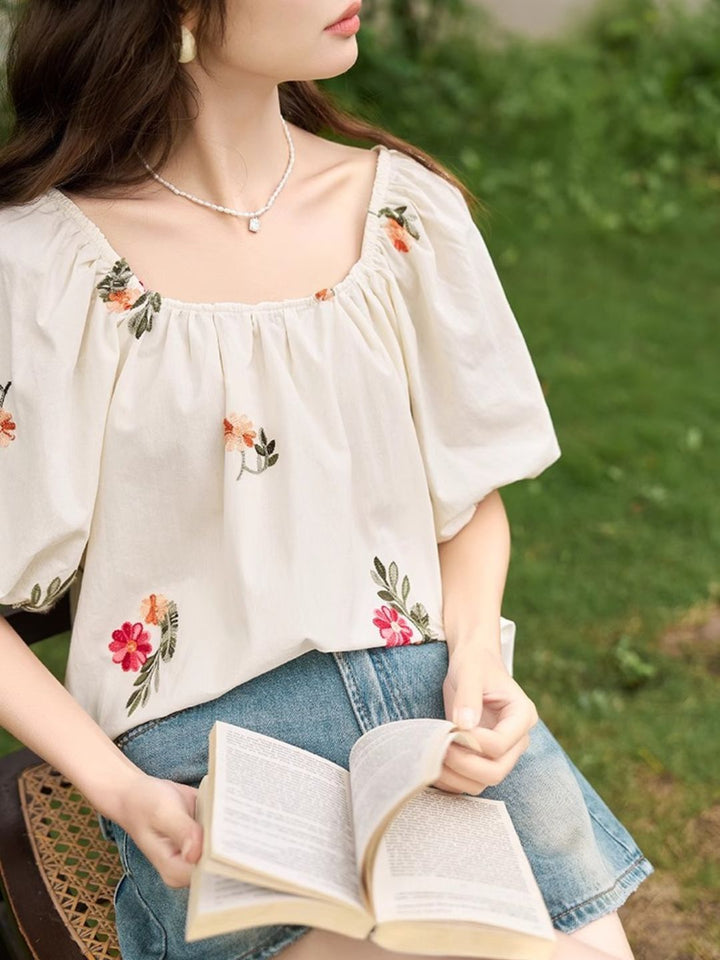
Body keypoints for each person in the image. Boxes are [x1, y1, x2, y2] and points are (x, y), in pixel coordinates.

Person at [0, 2, 653, 958]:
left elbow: (468, 498)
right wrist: (120, 789)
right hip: (213, 771)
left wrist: (479, 659)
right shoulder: (44, 267)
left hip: (434, 732)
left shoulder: (406, 213)